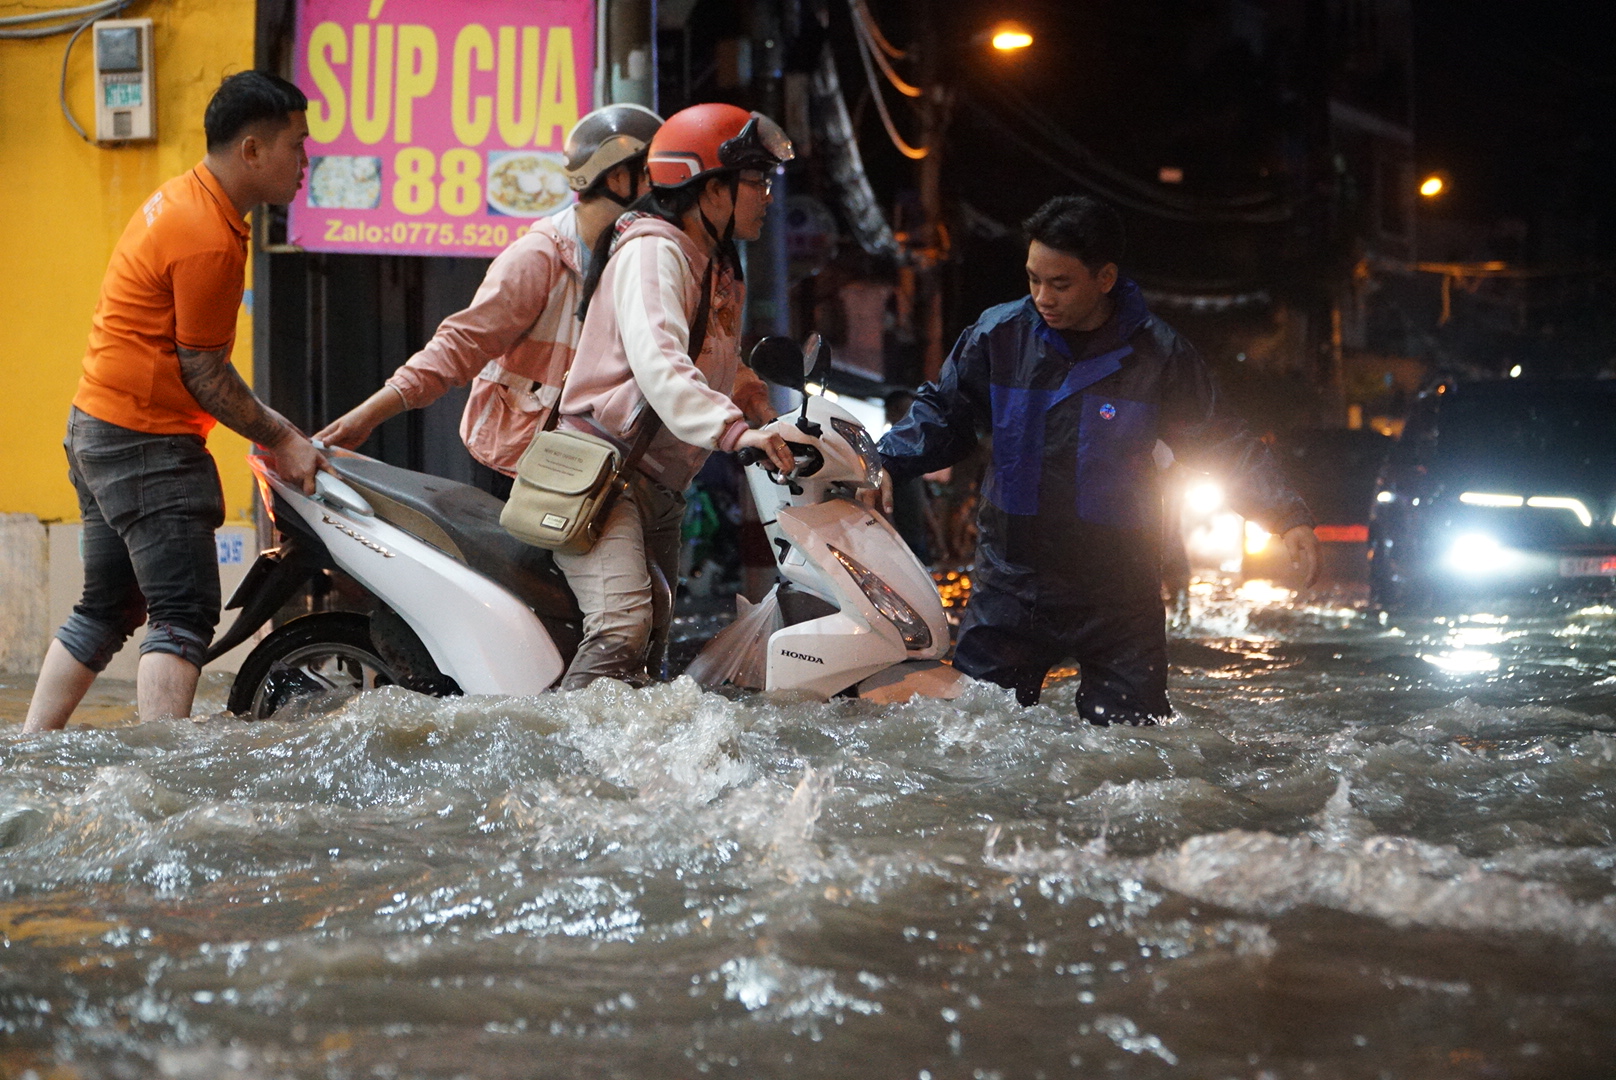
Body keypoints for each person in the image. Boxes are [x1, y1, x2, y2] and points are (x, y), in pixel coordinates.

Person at [878, 195, 1319, 724]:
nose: (1043, 297)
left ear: (1105, 278)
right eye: (1033, 279)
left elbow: (1221, 440)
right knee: (975, 736)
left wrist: (1286, 515)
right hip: (1012, 588)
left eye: (1060, 284)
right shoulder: (998, 336)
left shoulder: (1159, 355)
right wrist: (881, 461)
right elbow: (942, 417)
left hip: (1119, 595)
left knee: (1133, 754)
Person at [24, 72, 324, 732]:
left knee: (107, 606)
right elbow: (205, 376)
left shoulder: (184, 200)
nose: (306, 161)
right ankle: (161, 780)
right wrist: (283, 436)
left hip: (96, 427)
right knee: (182, 611)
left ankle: (27, 751)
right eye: (297, 146)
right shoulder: (207, 236)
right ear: (252, 150)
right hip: (144, 443)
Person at [552, 103, 798, 689]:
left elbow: (718, 359)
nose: (766, 196)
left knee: (654, 646)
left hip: (660, 485)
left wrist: (762, 409)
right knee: (624, 629)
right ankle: (550, 758)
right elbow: (662, 364)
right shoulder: (652, 252)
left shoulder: (715, 265)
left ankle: (619, 778)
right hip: (606, 477)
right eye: (755, 181)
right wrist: (737, 433)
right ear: (709, 188)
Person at [315, 105, 666, 495]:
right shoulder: (540, 257)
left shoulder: (641, 255)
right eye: (654, 176)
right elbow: (459, 346)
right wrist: (366, 416)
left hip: (594, 470)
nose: (667, 193)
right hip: (513, 469)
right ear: (618, 178)